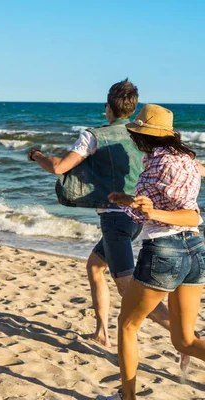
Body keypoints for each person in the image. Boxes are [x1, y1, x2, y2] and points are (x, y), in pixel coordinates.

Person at [28, 79, 172, 348]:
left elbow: (59, 167)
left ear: (108, 108)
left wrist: (36, 154)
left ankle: (183, 334)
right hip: (138, 218)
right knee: (95, 266)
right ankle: (101, 332)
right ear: (132, 108)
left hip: (116, 220)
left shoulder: (94, 135)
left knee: (128, 289)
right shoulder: (142, 135)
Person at [99, 105, 205, 400]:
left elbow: (159, 214)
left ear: (144, 137)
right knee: (185, 340)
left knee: (127, 325)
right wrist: (129, 199)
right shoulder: (187, 160)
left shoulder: (155, 167)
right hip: (196, 249)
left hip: (164, 251)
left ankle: (127, 397)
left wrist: (137, 208)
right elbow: (180, 207)